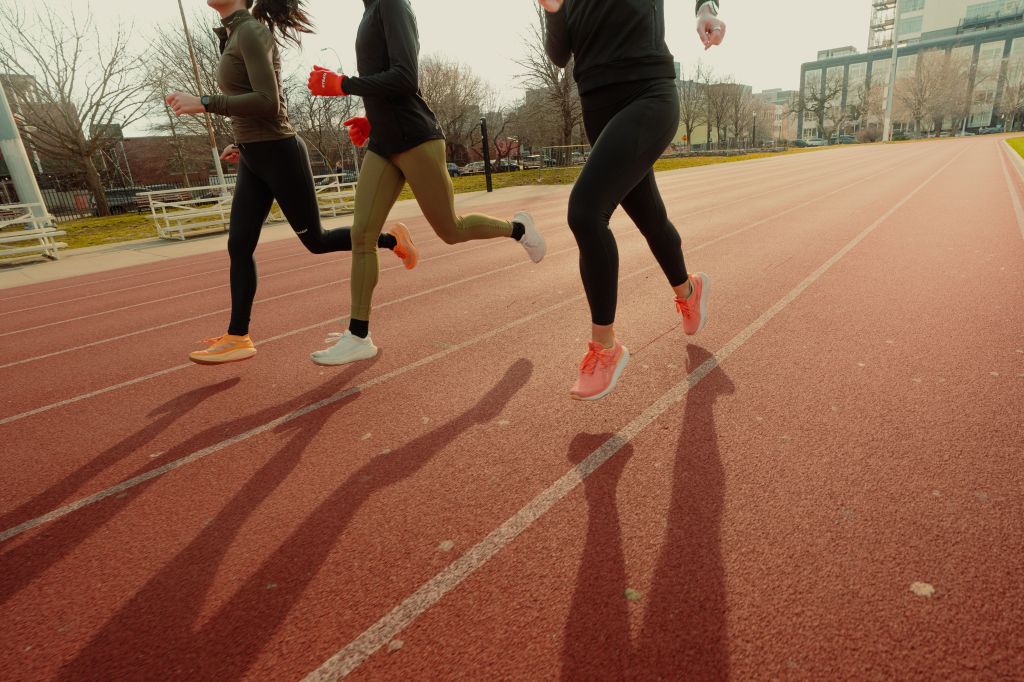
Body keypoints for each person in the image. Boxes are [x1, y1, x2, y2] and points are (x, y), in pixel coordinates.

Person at [165, 0, 417, 365]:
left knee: (315, 240)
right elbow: (249, 101)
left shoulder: (252, 31)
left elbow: (268, 102)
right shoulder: (235, 32)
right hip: (254, 154)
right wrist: (241, 141)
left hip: (280, 153)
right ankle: (238, 336)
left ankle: (392, 240)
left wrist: (204, 102)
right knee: (239, 244)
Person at [304, 0, 546, 367]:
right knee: (362, 234)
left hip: (417, 138)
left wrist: (343, 84)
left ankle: (518, 228)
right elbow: (386, 82)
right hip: (385, 142)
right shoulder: (370, 10)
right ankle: (358, 335)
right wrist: (373, 119)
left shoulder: (392, 4)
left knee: (451, 229)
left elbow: (405, 77)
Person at [538, 0, 726, 400]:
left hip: (648, 92)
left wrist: (705, 11)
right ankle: (688, 291)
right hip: (597, 107)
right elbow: (558, 55)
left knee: (586, 213)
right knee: (651, 218)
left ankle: (605, 348)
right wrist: (553, 11)